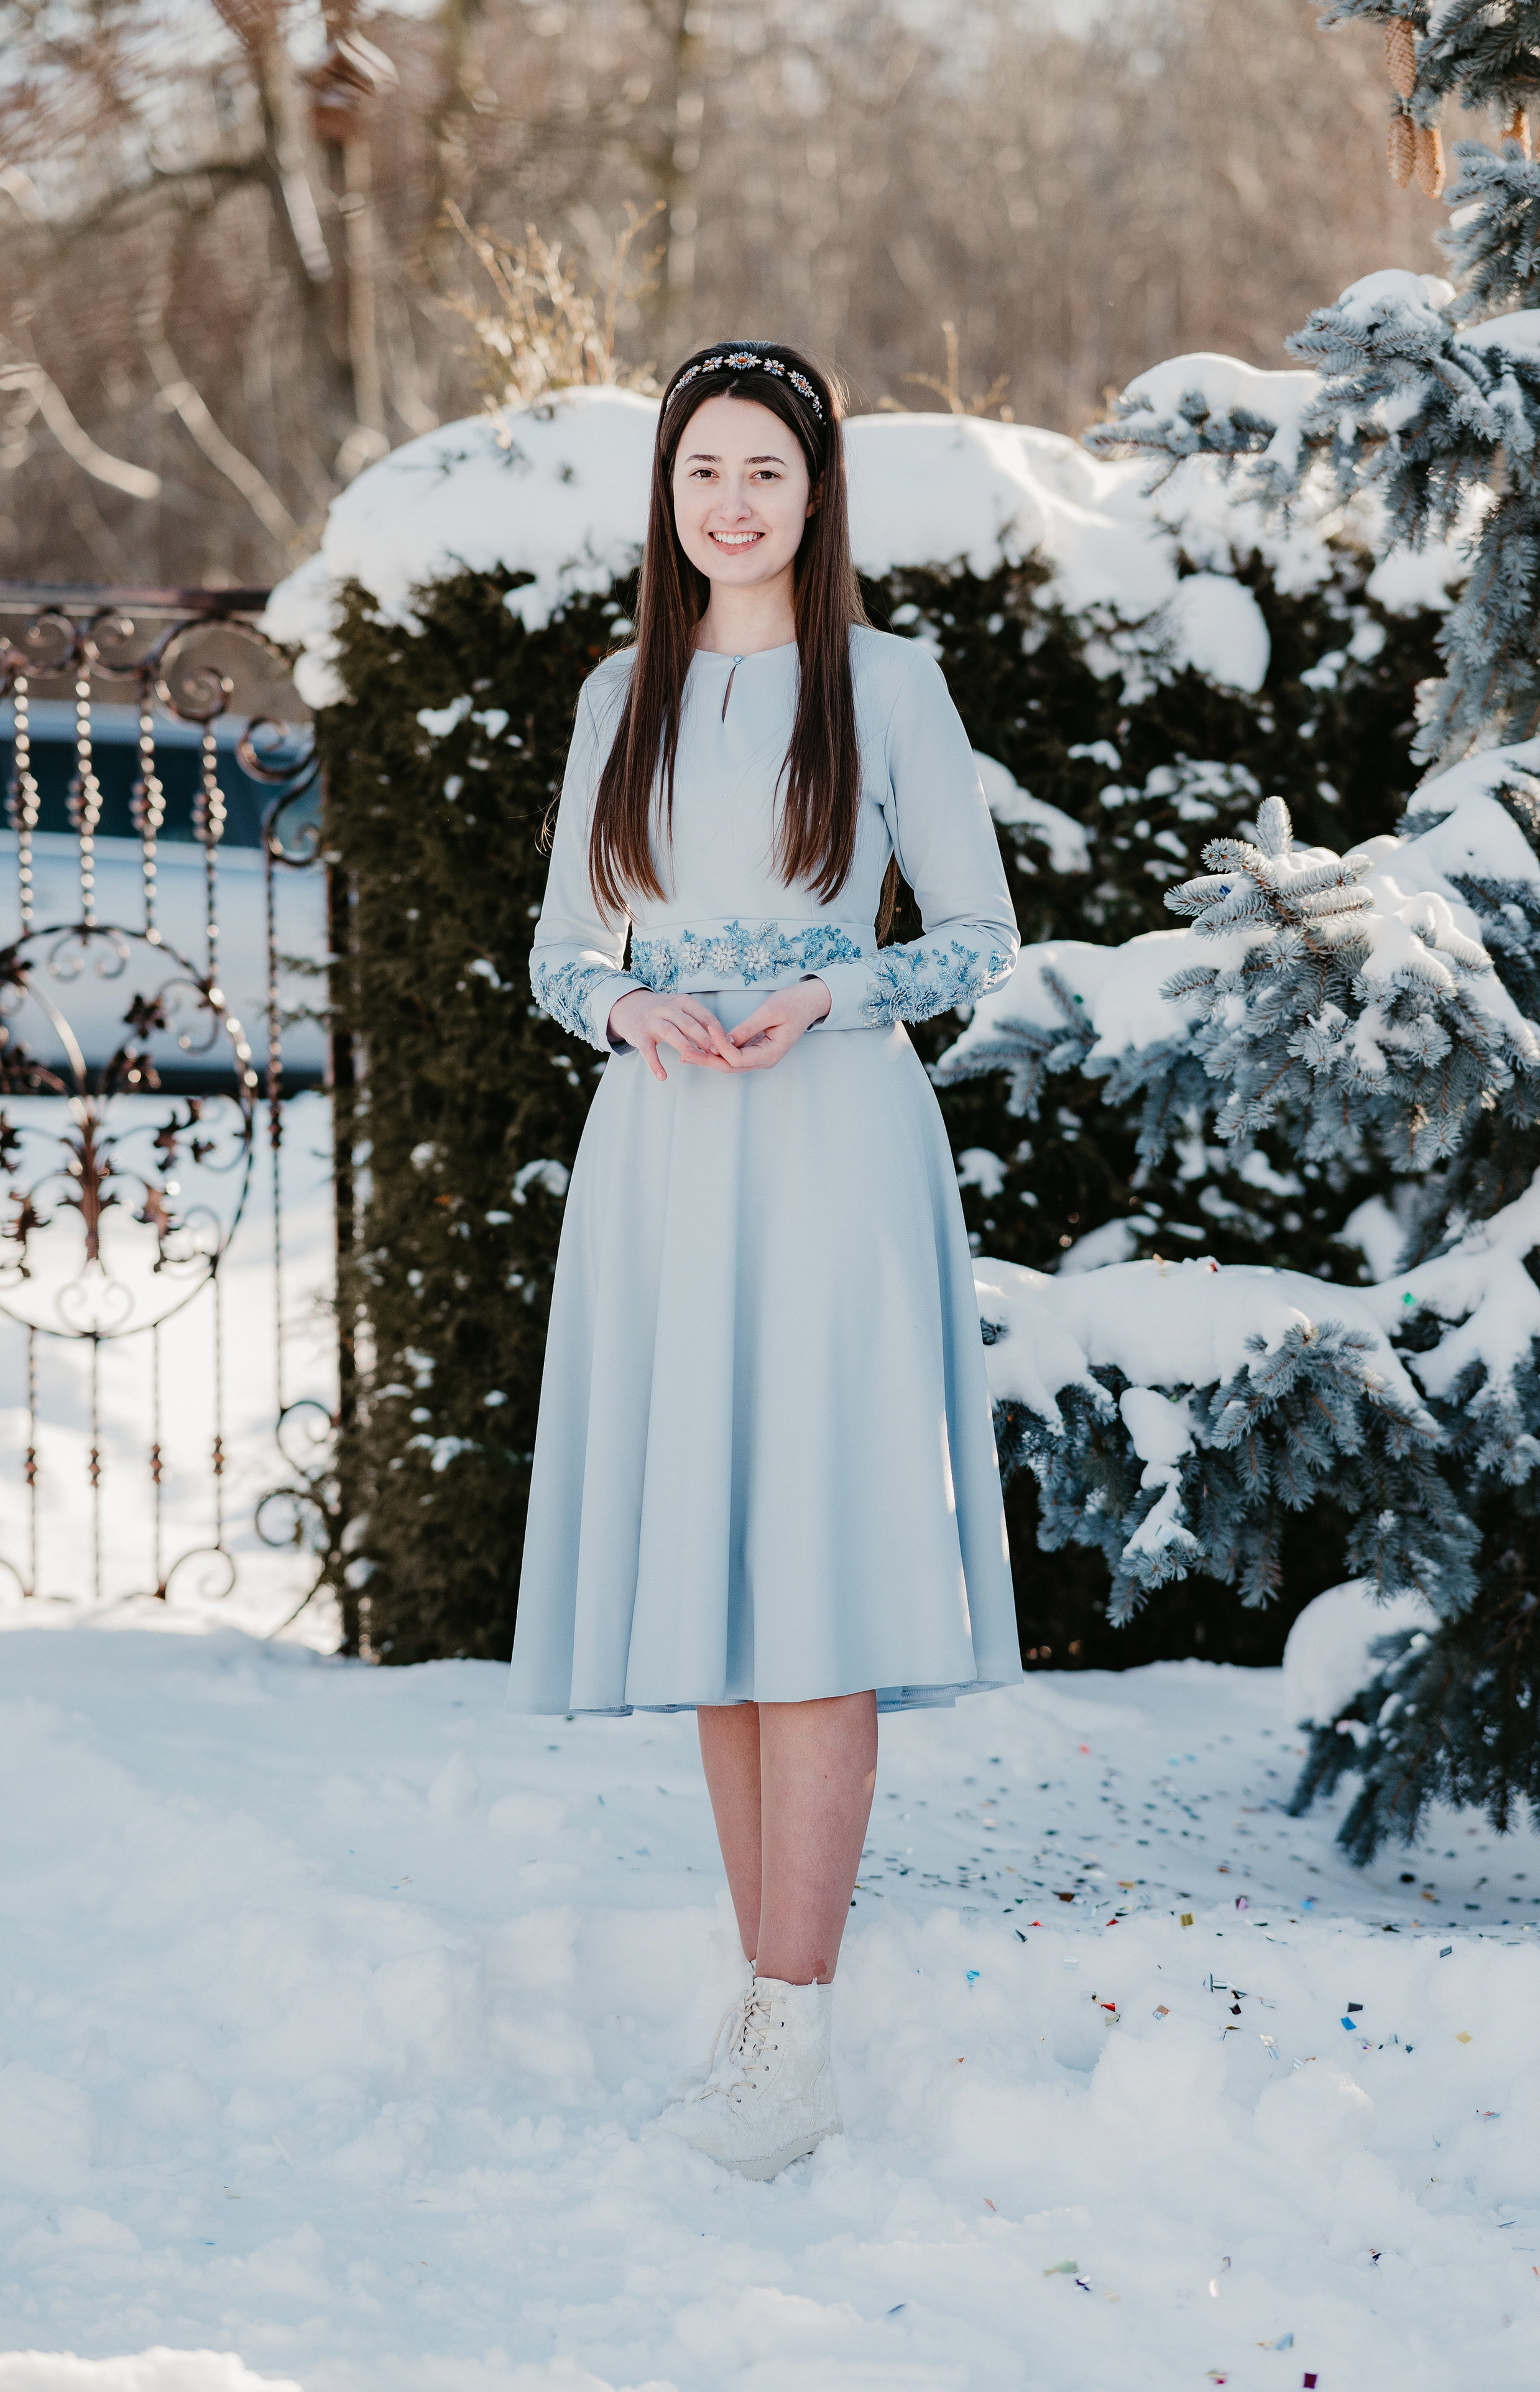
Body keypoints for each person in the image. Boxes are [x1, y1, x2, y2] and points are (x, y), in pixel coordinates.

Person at [510, 339, 1022, 2179]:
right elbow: (560, 954)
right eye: (704, 472)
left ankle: (797, 2033)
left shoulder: (888, 685)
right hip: (665, 1157)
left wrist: (832, 991)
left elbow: (978, 934)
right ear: (669, 496)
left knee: (815, 1568)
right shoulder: (617, 696)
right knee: (721, 1589)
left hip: (829, 1148)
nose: (733, 504)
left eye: (767, 473)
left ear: (818, 495)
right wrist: (625, 1008)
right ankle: (760, 2010)